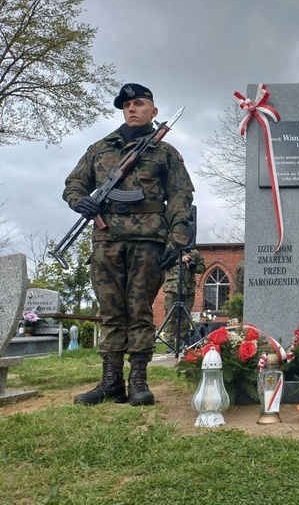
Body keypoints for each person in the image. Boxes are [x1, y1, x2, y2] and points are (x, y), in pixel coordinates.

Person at [63, 83, 194, 406]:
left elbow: (180, 197)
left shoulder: (165, 153)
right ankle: (110, 381)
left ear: (153, 110)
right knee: (110, 310)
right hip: (106, 239)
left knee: (139, 310)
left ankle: (138, 379)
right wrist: (81, 203)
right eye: (126, 105)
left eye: (138, 103)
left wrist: (176, 240)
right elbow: (74, 184)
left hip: (148, 240)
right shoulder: (100, 148)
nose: (131, 109)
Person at [161, 248, 206, 351]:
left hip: (188, 289)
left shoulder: (194, 252)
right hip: (173, 288)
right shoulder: (170, 248)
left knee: (185, 318)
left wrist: (192, 265)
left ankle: (181, 342)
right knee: (170, 317)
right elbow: (163, 262)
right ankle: (170, 344)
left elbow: (202, 267)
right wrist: (179, 259)